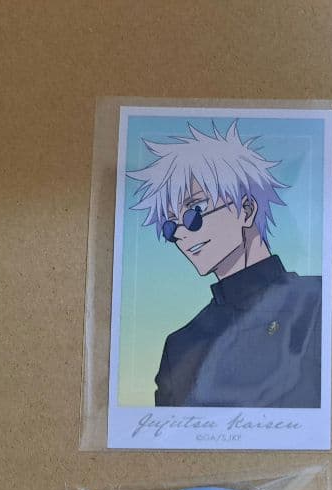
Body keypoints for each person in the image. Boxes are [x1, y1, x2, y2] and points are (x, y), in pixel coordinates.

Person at [127, 122, 321, 408]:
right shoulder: (180, 346)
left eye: (195, 212)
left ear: (246, 210)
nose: (181, 234)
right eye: (170, 226)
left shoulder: (319, 302)